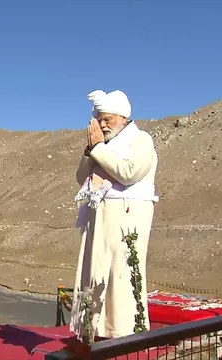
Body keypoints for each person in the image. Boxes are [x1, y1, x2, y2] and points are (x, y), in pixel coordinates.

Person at [70, 89, 159, 340]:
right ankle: (95, 330)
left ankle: (122, 333)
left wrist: (98, 147)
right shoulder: (103, 146)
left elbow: (128, 172)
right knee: (95, 272)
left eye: (107, 119)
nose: (102, 125)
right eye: (99, 119)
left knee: (121, 275)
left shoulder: (140, 140)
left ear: (123, 118)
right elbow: (81, 179)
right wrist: (92, 150)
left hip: (125, 221)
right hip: (100, 222)